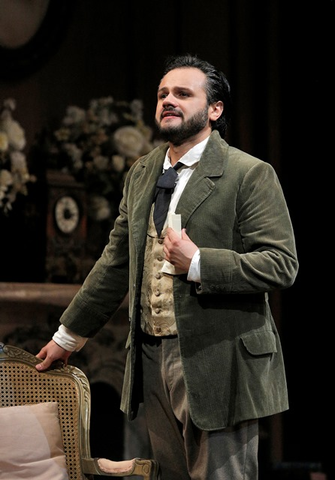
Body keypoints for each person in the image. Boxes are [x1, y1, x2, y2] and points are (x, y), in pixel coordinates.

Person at [36, 54, 299, 480]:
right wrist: (68, 335)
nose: (168, 101)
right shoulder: (142, 173)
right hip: (152, 356)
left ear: (214, 109)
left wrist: (199, 262)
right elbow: (115, 261)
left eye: (182, 93)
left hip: (220, 358)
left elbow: (281, 264)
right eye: (162, 94)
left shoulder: (248, 174)